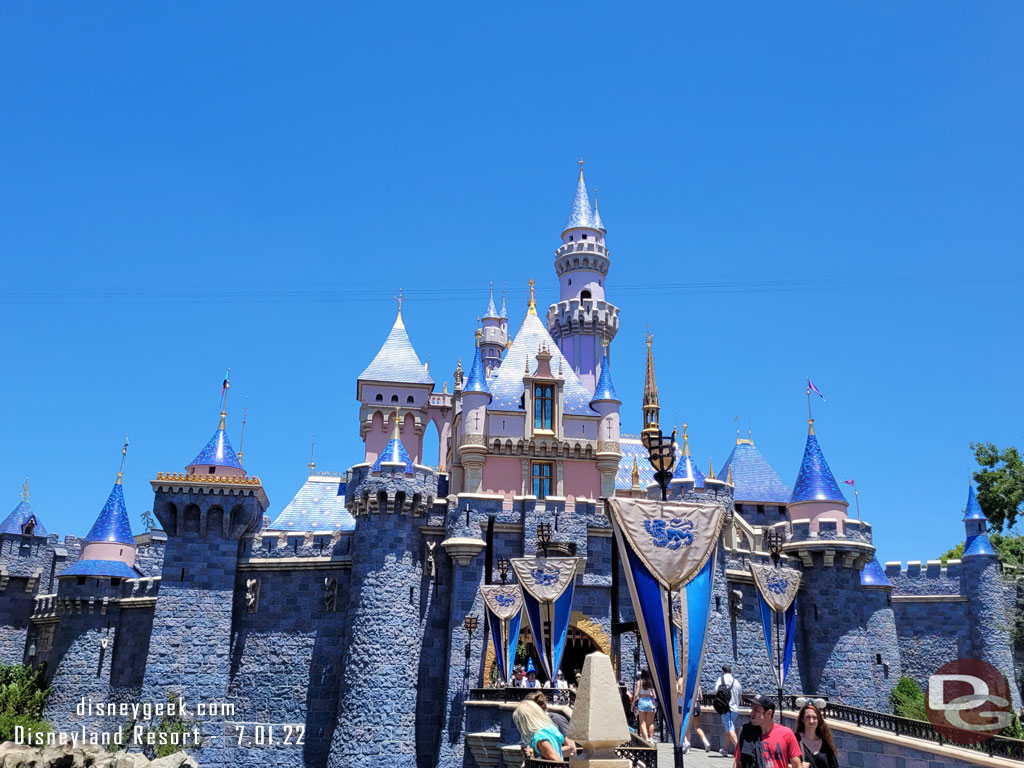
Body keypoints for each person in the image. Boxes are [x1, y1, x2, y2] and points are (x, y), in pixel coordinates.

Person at [734, 695, 801, 768]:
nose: (751, 713)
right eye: (752, 709)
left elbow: (797, 765)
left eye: (756, 710)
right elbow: (738, 763)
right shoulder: (746, 733)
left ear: (768, 713)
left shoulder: (786, 733)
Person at [794, 703, 838, 768]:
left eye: (814, 717)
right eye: (808, 717)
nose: (811, 721)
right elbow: (782, 762)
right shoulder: (794, 740)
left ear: (818, 720)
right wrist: (798, 766)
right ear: (802, 719)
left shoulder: (825, 745)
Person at [714, 664, 742, 756]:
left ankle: (740, 752)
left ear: (723, 671)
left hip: (726, 708)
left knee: (730, 729)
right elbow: (740, 697)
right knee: (729, 728)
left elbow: (716, 691)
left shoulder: (721, 679)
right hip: (735, 709)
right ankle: (725, 749)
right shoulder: (736, 682)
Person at [678, 677, 710, 753]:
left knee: (683, 726)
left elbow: (679, 692)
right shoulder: (695, 681)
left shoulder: (681, 680)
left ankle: (686, 743)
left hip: (684, 705)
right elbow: (700, 696)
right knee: (696, 726)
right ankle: (705, 741)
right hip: (695, 705)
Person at [632, 669, 657, 744]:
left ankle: (646, 738)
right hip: (650, 701)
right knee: (651, 722)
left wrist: (633, 703)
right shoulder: (651, 683)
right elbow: (655, 696)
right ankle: (651, 738)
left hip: (642, 701)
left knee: (642, 721)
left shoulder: (640, 682)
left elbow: (636, 694)